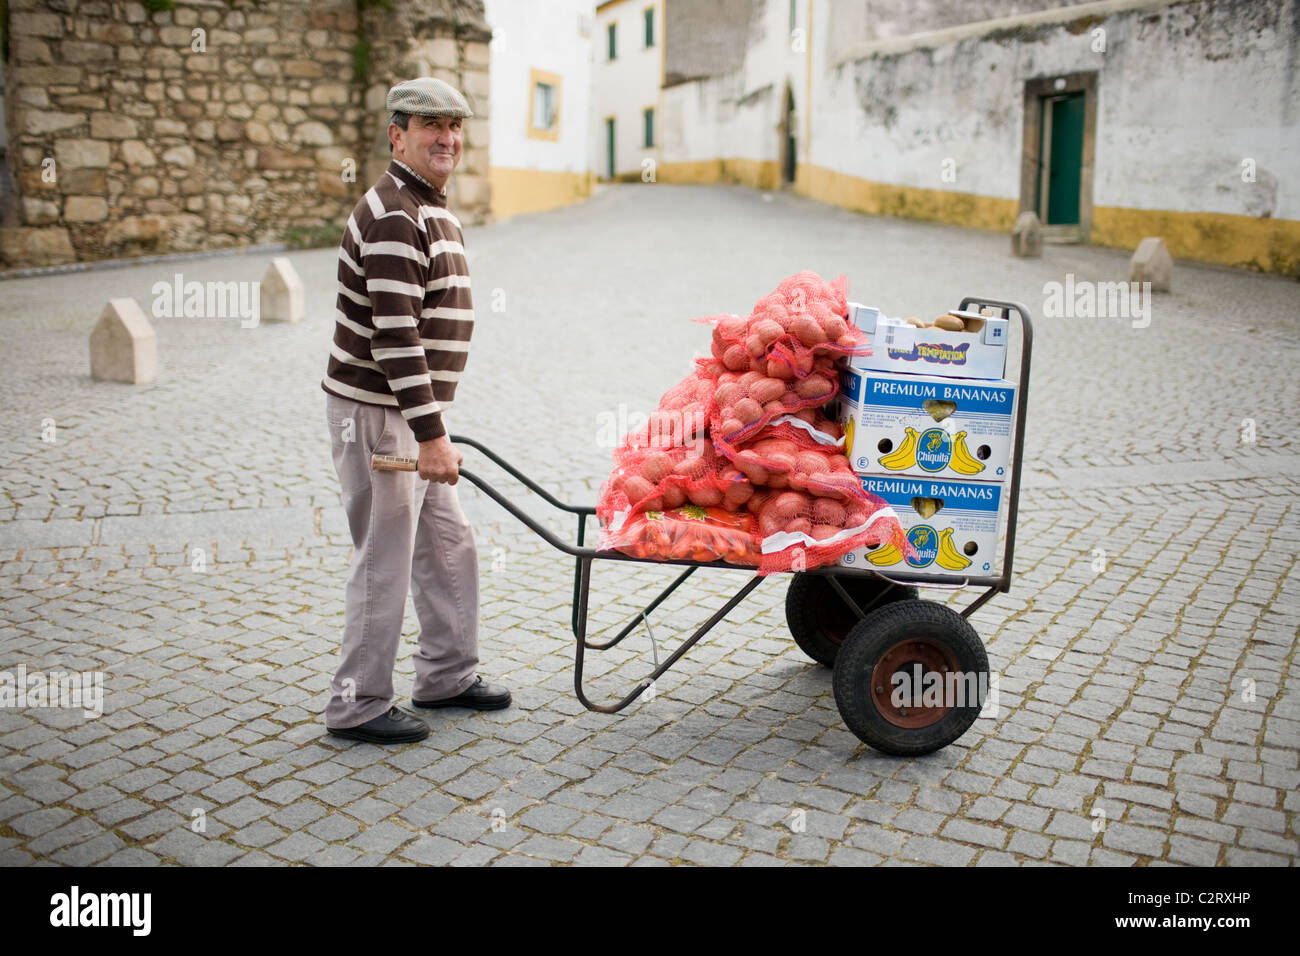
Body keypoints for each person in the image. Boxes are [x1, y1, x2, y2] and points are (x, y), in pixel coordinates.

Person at [320, 77, 510, 745]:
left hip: (408, 411)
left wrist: (429, 425)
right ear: (397, 134)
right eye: (432, 125)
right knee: (385, 559)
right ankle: (357, 704)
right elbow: (393, 336)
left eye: (455, 126)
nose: (447, 138)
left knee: (447, 546)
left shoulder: (424, 203)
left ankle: (446, 675)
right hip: (380, 414)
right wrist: (430, 435)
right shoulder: (397, 211)